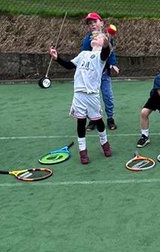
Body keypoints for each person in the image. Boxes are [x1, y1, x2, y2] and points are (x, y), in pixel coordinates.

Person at [50, 32, 113, 164]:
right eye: (94, 37)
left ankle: (105, 143)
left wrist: (107, 41)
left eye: (98, 37)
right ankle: (82, 152)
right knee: (80, 122)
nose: (94, 37)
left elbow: (106, 51)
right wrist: (57, 58)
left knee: (98, 121)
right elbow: (69, 65)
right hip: (79, 94)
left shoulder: (101, 57)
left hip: (92, 95)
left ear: (104, 42)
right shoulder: (83, 54)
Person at [80, 12, 120, 130]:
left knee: (108, 96)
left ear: (101, 23)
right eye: (90, 23)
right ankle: (93, 119)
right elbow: (84, 55)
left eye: (95, 22)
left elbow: (110, 52)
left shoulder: (107, 38)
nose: (92, 25)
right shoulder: (87, 40)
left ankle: (110, 118)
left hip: (104, 74)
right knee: (92, 97)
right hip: (91, 76)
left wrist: (112, 64)